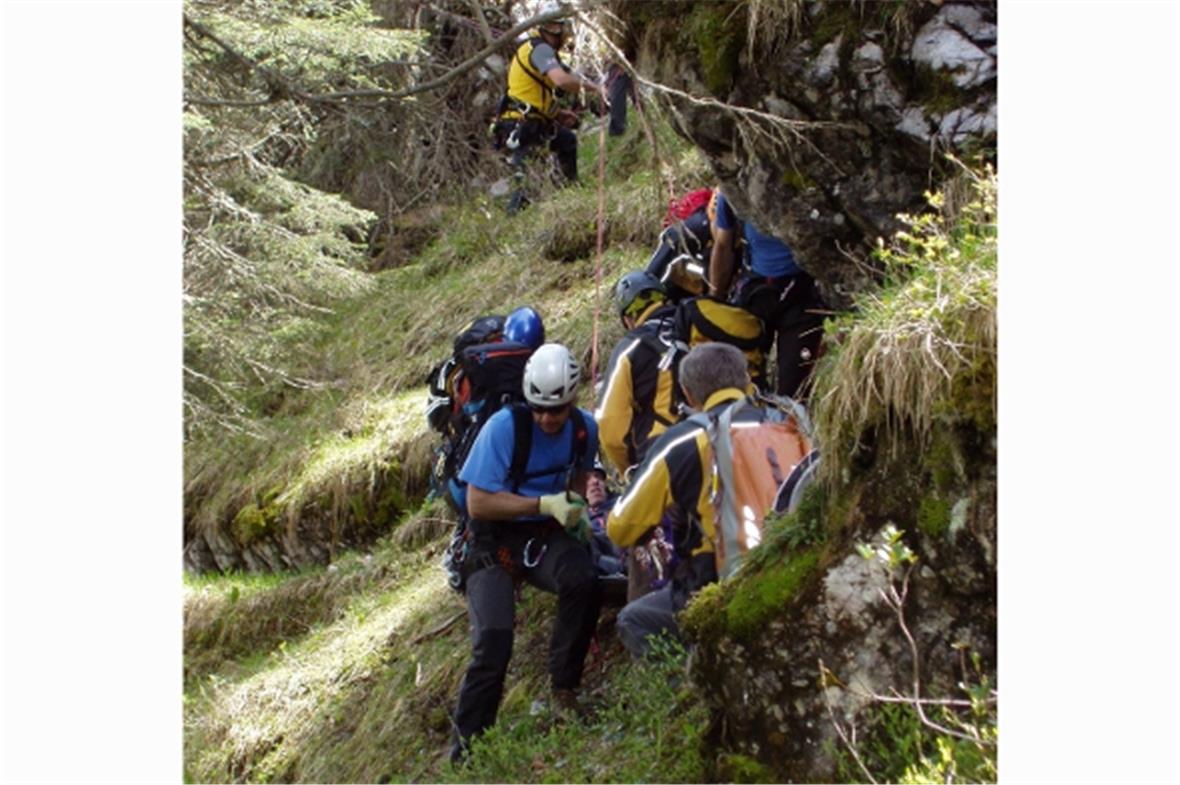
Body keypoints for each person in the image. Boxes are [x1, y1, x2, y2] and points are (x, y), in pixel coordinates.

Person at [450, 343, 602, 762]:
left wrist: (582, 500)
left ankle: (564, 690)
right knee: (494, 639)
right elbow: (478, 502)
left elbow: (580, 478)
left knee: (584, 579)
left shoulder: (584, 429)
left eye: (557, 410)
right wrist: (542, 504)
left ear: (572, 401)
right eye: (539, 409)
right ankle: (467, 754)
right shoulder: (504, 428)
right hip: (492, 537)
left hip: (545, 532)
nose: (547, 419)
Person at [606, 342, 758, 658]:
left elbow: (620, 527)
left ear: (688, 394)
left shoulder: (683, 440)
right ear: (747, 381)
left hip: (718, 580)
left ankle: (694, 682)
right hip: (792, 557)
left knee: (635, 620)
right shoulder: (789, 420)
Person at [709, 190, 826, 399]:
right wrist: (714, 298)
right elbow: (723, 245)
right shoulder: (733, 190)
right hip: (756, 291)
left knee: (794, 388)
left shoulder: (806, 188)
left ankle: (788, 415)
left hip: (801, 295)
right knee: (743, 383)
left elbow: (723, 245)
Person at [494, 2, 606, 214]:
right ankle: (516, 217)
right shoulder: (541, 49)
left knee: (566, 141)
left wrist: (556, 114)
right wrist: (596, 89)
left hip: (530, 122)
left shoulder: (537, 50)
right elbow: (561, 80)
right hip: (523, 126)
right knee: (524, 187)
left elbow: (531, 92)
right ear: (556, 28)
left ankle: (571, 193)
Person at [594, 271, 680, 477]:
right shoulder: (695, 329)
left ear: (628, 319)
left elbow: (610, 426)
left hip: (661, 455)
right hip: (716, 445)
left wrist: (629, 470)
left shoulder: (631, 347)